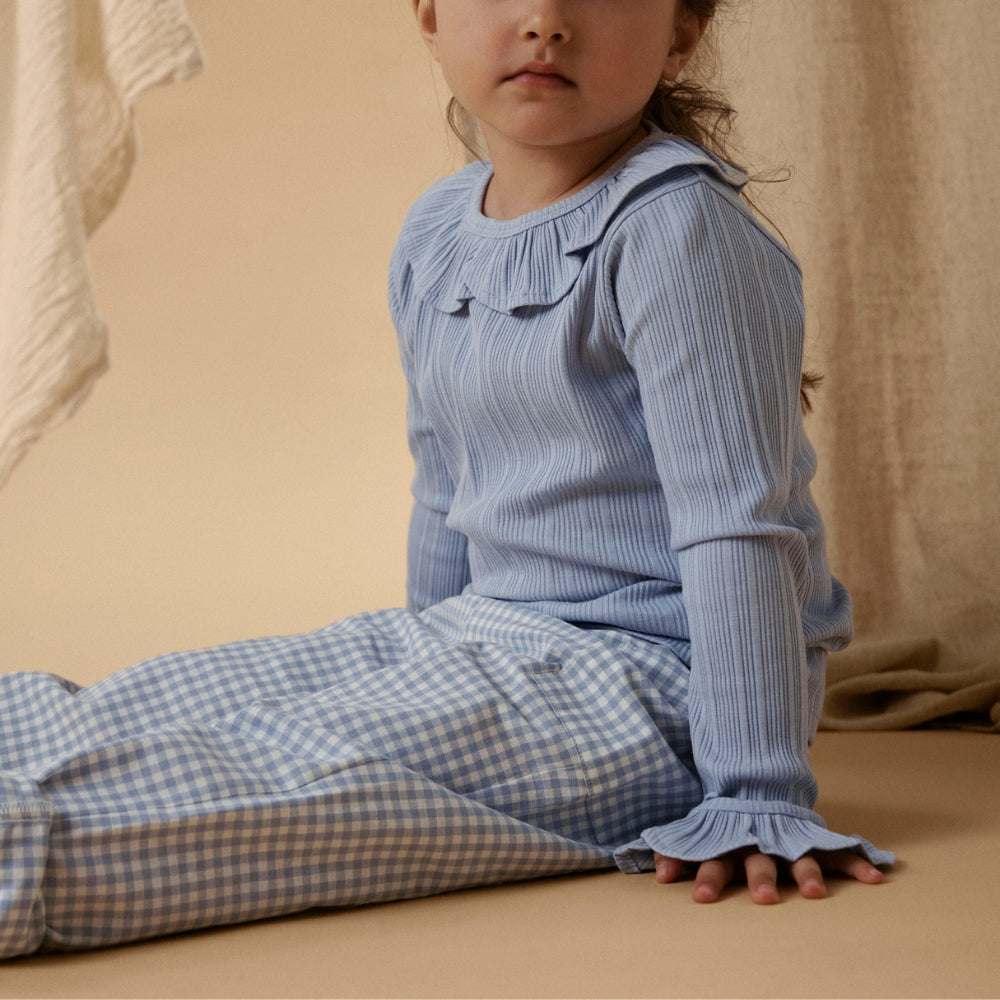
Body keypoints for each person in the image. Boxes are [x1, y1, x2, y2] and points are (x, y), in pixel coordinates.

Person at [0, 0, 893, 959]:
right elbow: (445, 485)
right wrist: (413, 671)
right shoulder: (437, 230)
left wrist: (755, 786)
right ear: (428, 14)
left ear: (680, 33)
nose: (546, 20)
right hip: (481, 632)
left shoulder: (679, 231)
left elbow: (739, 527)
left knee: (274, 775)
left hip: (656, 686)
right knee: (173, 696)